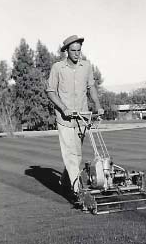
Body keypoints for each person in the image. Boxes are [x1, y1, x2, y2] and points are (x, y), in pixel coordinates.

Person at [46, 35, 104, 202]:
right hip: (64, 118)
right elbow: (50, 91)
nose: (77, 53)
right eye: (73, 50)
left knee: (76, 154)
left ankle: (65, 180)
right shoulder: (57, 68)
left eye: (79, 50)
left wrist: (98, 105)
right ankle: (78, 192)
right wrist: (63, 109)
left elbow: (91, 86)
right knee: (71, 154)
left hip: (82, 117)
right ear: (66, 51)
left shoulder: (86, 66)